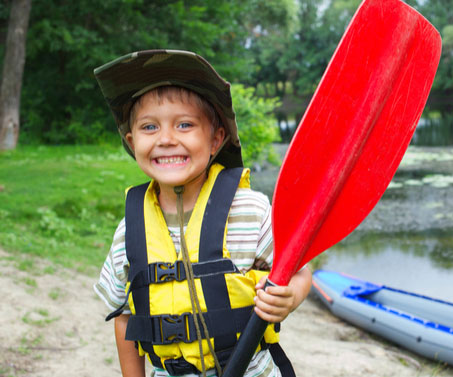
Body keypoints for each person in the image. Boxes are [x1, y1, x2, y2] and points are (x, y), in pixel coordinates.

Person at [92, 50, 312, 377]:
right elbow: (123, 316)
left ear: (216, 139)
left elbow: (300, 270)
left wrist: (292, 295)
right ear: (131, 140)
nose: (166, 139)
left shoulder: (250, 210)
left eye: (184, 124)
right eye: (149, 127)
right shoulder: (130, 230)